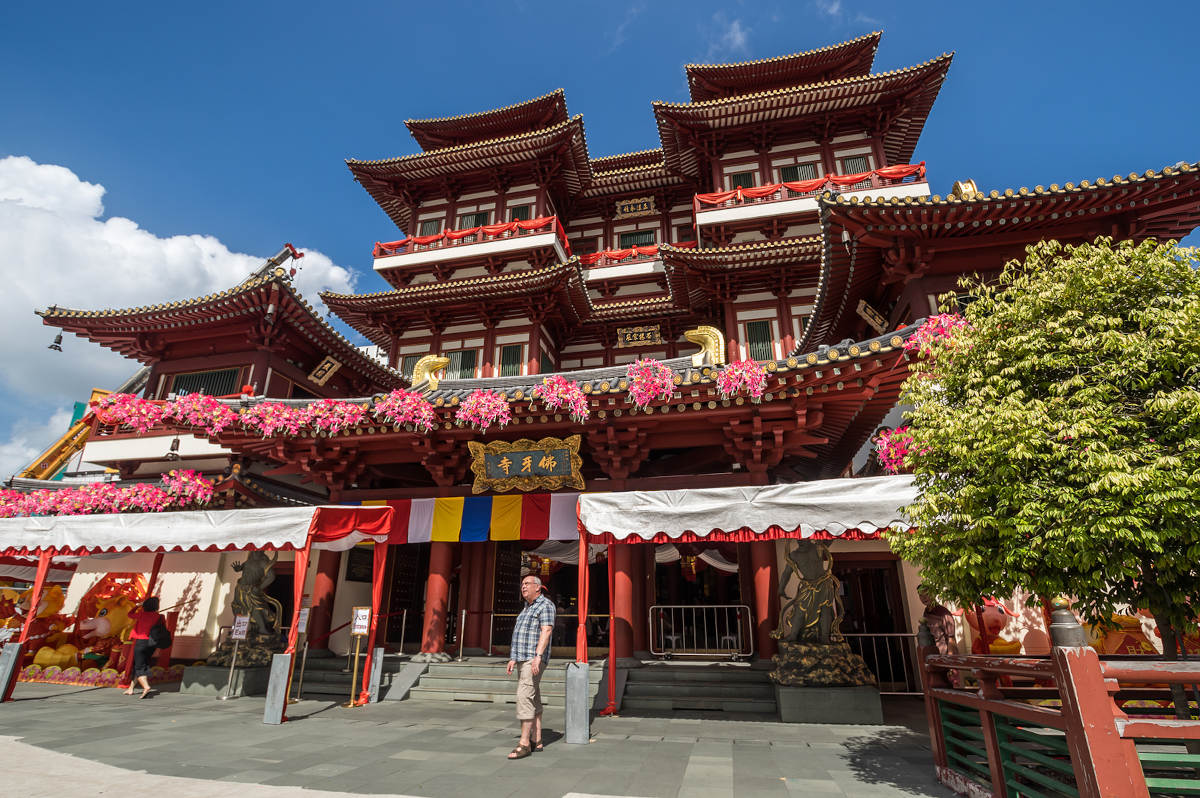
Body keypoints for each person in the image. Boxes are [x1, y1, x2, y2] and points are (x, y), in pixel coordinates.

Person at [506, 574, 555, 760]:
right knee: (532, 695)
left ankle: (524, 743)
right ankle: (537, 739)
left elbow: (546, 630)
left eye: (527, 583)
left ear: (538, 587)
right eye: (522, 584)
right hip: (522, 658)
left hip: (533, 659)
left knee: (524, 695)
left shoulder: (545, 605)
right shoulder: (526, 608)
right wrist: (512, 658)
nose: (523, 586)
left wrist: (538, 656)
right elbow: (520, 634)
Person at [123, 597, 163, 699]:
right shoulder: (159, 617)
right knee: (140, 664)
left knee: (139, 666)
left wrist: (137, 605)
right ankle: (131, 688)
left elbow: (129, 614)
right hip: (152, 644)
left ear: (145, 606)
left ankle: (146, 686)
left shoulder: (141, 614)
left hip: (141, 642)